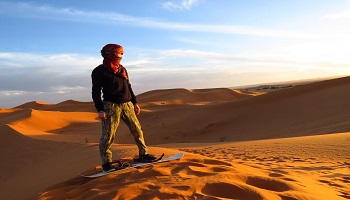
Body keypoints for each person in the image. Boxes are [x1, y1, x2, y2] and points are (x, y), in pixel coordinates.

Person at [91, 43, 156, 172]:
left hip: (127, 105)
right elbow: (95, 92)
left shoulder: (122, 69)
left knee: (137, 130)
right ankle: (107, 163)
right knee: (108, 136)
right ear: (110, 54)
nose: (121, 55)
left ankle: (143, 154)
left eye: (122, 53)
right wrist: (100, 110)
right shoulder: (99, 71)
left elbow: (128, 86)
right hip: (111, 106)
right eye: (119, 53)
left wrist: (135, 103)